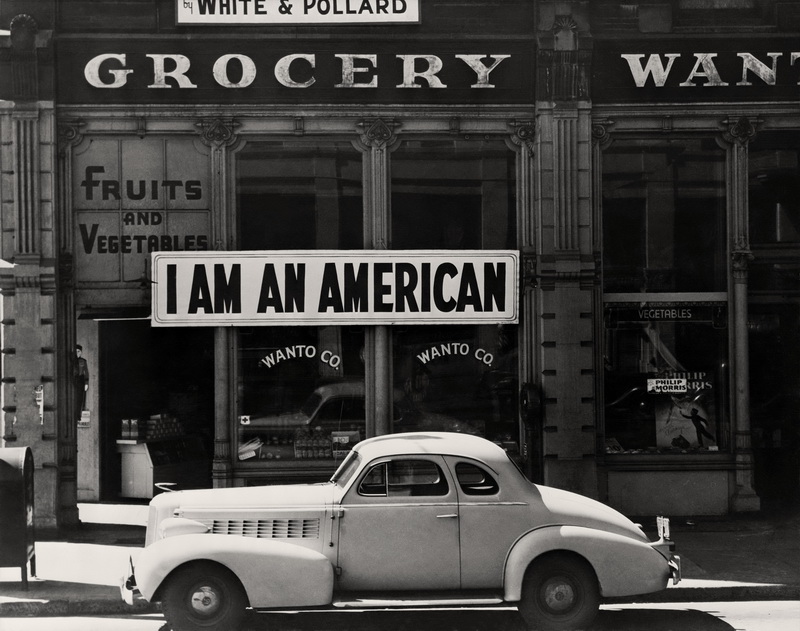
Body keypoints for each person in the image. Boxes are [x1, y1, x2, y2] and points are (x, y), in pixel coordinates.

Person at [73, 344, 89, 423]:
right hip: (72, 381)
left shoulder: (83, 361)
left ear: (81, 352)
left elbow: (86, 373)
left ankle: (78, 416)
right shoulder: (71, 361)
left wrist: (86, 383)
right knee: (72, 398)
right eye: (75, 351)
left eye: (78, 351)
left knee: (79, 399)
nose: (77, 353)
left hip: (80, 380)